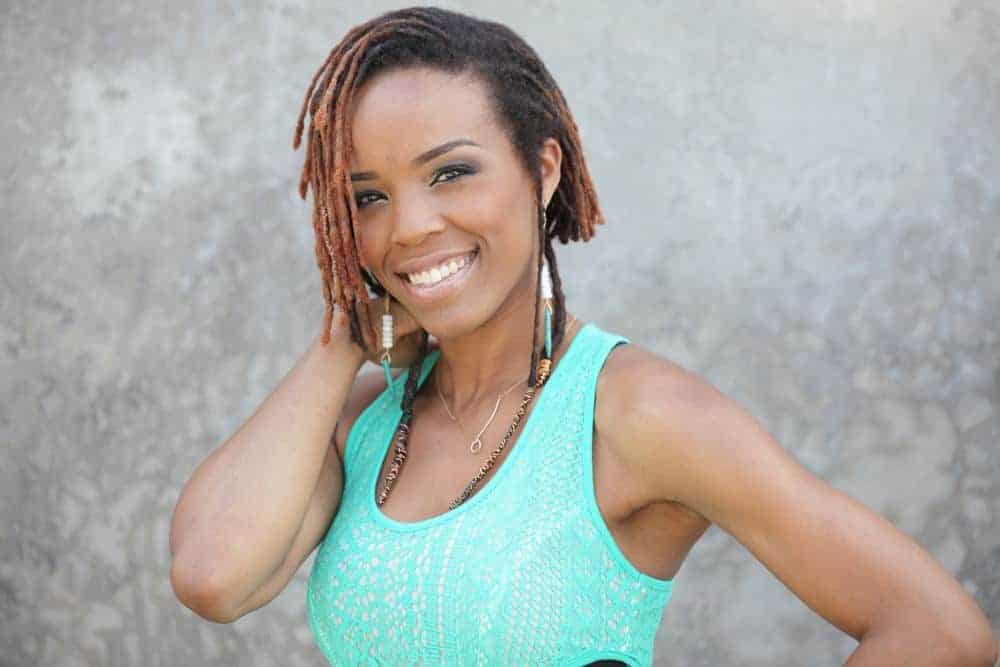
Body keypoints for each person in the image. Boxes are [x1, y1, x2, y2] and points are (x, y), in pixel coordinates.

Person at [168, 6, 998, 666]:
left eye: (451, 172)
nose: (410, 226)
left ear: (545, 170)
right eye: (368, 198)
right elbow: (213, 577)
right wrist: (344, 338)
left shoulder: (632, 412)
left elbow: (939, 633)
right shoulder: (363, 421)